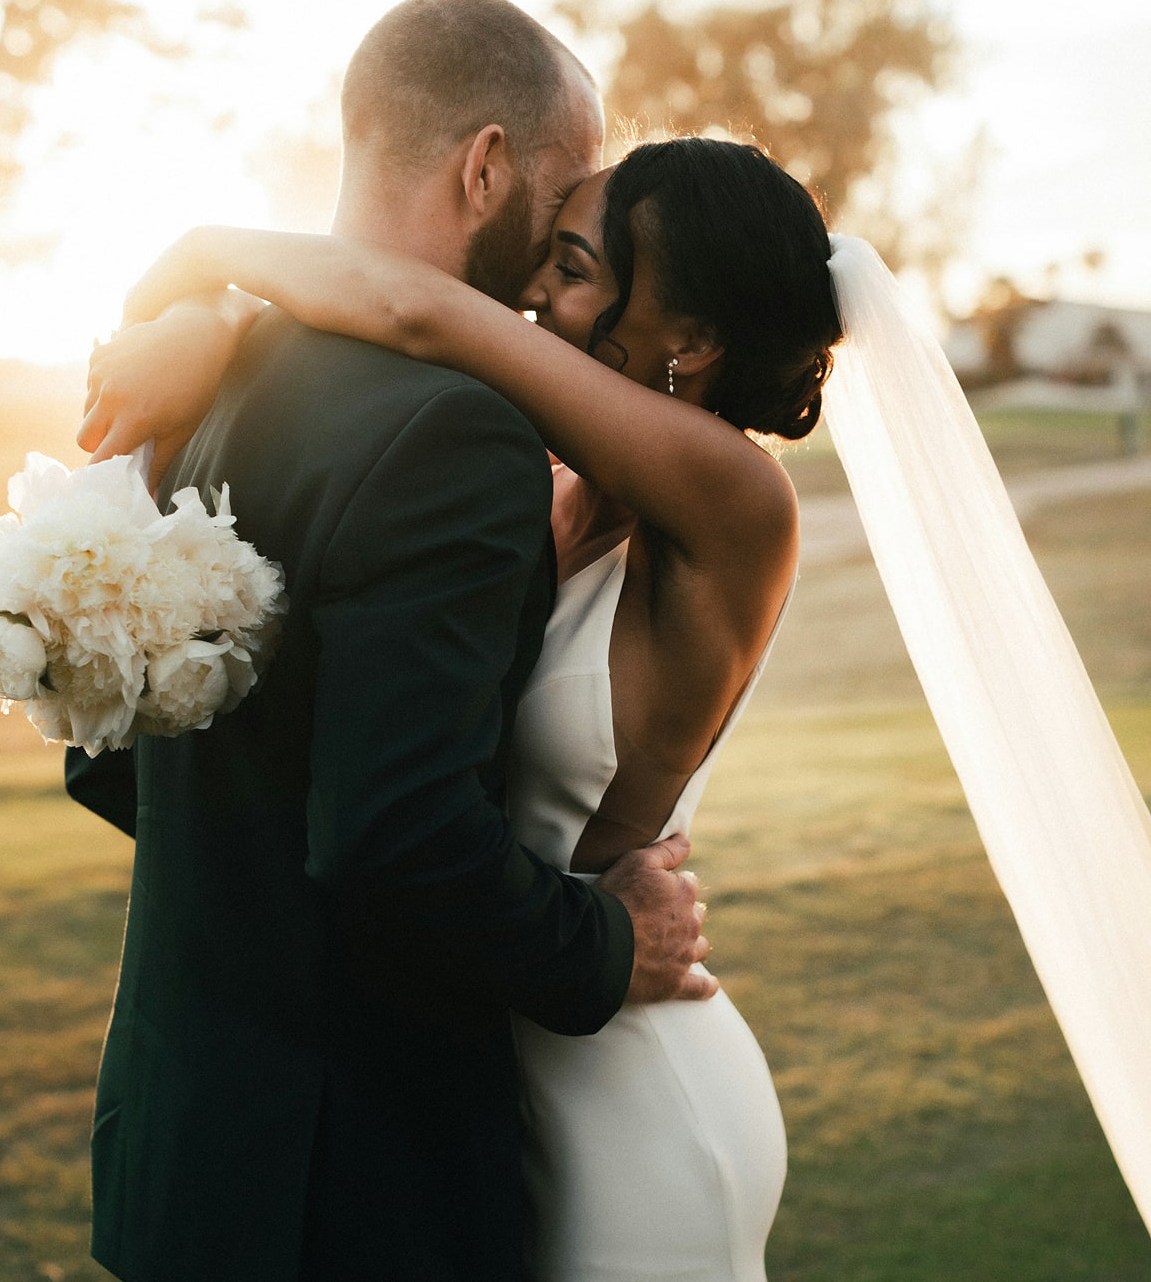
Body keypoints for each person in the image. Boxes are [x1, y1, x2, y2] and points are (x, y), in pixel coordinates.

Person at [82, 135, 844, 1280]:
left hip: (625, 1068)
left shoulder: (740, 506)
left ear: (690, 340)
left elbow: (421, 314)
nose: (536, 288)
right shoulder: (537, 486)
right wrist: (217, 331)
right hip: (490, 1047)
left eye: (576, 267)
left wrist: (207, 256)